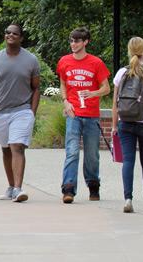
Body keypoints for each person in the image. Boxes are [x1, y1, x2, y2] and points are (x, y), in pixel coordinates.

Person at [0, 24, 40, 202]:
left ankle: (18, 188)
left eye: (15, 33)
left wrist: (32, 112)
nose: (10, 35)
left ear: (21, 38)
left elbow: (36, 88)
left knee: (17, 146)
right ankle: (10, 187)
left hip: (22, 111)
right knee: (6, 149)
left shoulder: (31, 60)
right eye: (7, 32)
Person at [57, 27, 110, 203]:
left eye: (77, 41)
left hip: (91, 114)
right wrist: (65, 101)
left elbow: (106, 88)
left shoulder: (96, 63)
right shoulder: (64, 61)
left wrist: (93, 93)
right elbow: (63, 84)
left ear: (85, 42)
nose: (73, 44)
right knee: (71, 151)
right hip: (73, 113)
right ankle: (69, 189)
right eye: (71, 41)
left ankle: (93, 185)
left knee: (91, 154)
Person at [112, 37, 143, 213]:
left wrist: (113, 126)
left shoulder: (121, 73)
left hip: (125, 122)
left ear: (129, 51)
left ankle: (128, 198)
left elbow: (115, 103)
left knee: (128, 161)